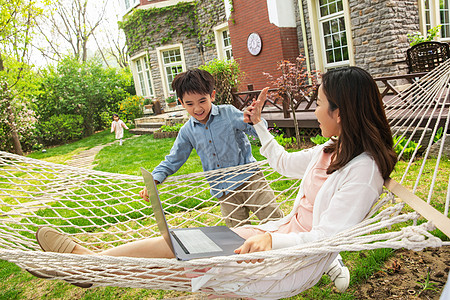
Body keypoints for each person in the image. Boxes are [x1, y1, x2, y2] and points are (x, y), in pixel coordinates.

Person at [30, 66, 397, 295]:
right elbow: (284, 162)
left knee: (199, 264)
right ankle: (87, 263)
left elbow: (329, 237)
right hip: (271, 235)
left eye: (318, 103)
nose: (314, 110)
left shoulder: (363, 171)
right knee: (187, 243)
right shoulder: (331, 150)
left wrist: (272, 238)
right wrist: (262, 128)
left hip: (293, 256)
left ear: (340, 111)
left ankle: (88, 265)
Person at [140, 69, 283, 227]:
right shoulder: (187, 131)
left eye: (202, 101)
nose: (197, 108)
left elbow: (257, 131)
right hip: (225, 192)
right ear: (181, 103)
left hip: (251, 180)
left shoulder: (228, 113)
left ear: (212, 96)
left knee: (274, 221)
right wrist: (155, 178)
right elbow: (174, 159)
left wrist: (253, 120)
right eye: (189, 104)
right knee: (239, 234)